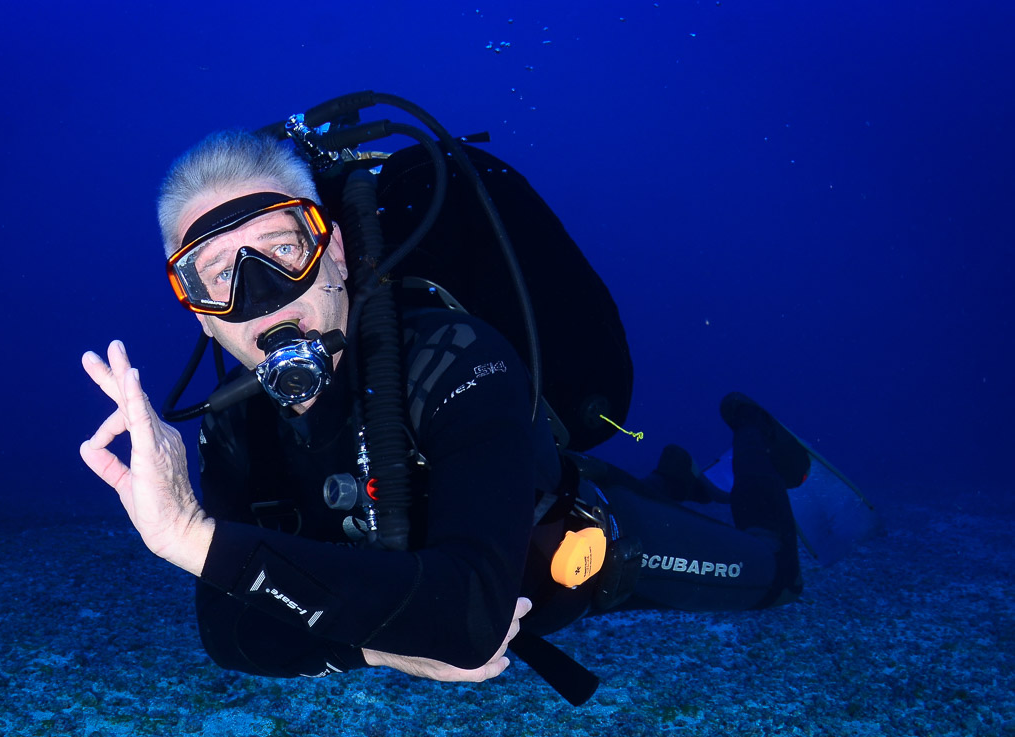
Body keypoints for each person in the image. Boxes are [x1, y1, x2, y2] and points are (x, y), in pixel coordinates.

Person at [80, 128, 812, 692]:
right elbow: (231, 635)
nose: (262, 292)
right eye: (218, 275)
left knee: (775, 575)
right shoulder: (238, 424)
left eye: (281, 249)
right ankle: (675, 473)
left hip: (591, 552)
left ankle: (749, 433)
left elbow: (470, 620)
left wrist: (186, 532)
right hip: (473, 526)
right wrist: (375, 645)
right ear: (201, 315)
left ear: (333, 252)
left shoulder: (454, 355)